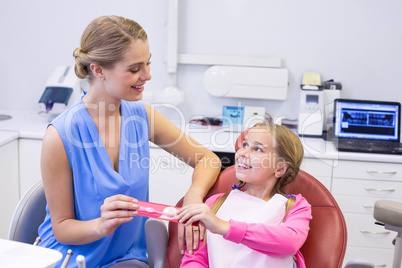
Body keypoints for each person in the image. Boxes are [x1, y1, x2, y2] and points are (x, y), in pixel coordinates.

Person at [38, 15, 221, 268]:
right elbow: (62, 228)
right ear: (98, 70)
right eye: (135, 69)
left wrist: (193, 196)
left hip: (126, 257)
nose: (147, 75)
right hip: (71, 258)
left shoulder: (140, 116)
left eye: (147, 64)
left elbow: (208, 159)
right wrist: (101, 226)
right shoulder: (61, 135)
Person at [177, 123, 312, 268]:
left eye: (258, 149)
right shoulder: (216, 203)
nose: (242, 153)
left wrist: (223, 227)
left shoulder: (295, 206)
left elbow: (290, 242)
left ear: (280, 168)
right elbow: (195, 259)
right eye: (245, 144)